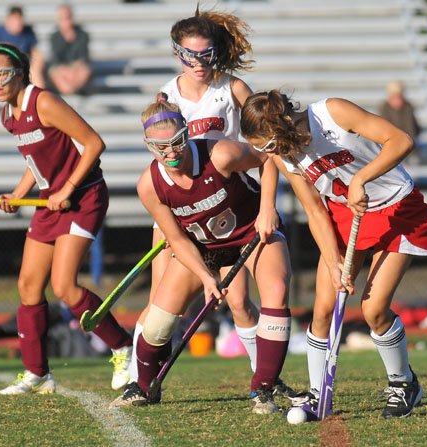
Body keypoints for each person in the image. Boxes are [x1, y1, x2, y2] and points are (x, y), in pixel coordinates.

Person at [240, 90, 427, 418]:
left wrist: (362, 178)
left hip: (396, 209)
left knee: (374, 309)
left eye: (266, 146)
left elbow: (401, 140)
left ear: (280, 128)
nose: (267, 154)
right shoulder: (283, 156)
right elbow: (315, 210)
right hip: (344, 217)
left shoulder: (332, 113)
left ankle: (404, 384)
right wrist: (333, 261)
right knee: (322, 310)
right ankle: (319, 394)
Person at [126, 7, 286, 395]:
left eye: (205, 54)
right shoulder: (167, 94)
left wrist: (267, 205)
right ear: (177, 53)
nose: (198, 62)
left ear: (216, 53)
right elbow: (163, 149)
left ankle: (265, 378)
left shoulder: (231, 89)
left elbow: (265, 147)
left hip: (228, 198)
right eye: (189, 55)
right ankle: (137, 378)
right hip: (182, 208)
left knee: (238, 302)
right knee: (161, 303)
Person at [111, 97, 292, 415]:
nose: (171, 153)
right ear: (147, 144)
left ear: (187, 132)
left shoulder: (220, 153)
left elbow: (267, 157)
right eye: (160, 147)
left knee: (275, 293)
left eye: (178, 142)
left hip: (252, 234)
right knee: (155, 326)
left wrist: (267, 209)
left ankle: (263, 389)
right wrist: (208, 277)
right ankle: (144, 387)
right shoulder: (149, 186)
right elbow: (178, 239)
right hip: (203, 249)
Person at [0, 43, 133, 394]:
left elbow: (94, 143)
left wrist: (67, 189)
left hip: (83, 196)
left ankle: (123, 347)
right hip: (50, 202)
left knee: (65, 286)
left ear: (20, 72)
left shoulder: (43, 102)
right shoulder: (8, 115)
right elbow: (36, 162)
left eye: (2, 74)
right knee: (28, 286)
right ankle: (38, 374)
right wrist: (19, 194)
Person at [0, 5, 46, 88]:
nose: (18, 23)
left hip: (23, 66)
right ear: (8, 20)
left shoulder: (28, 32)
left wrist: (36, 65)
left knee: (35, 71)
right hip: (2, 66)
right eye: (15, 20)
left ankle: (39, 97)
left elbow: (36, 51)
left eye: (19, 19)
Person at [47, 4, 92, 95]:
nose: (65, 20)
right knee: (56, 73)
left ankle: (71, 91)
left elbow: (83, 57)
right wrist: (67, 70)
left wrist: (73, 69)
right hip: (62, 71)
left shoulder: (82, 35)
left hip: (76, 71)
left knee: (84, 71)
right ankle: (72, 91)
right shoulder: (54, 37)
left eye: (67, 17)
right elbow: (56, 60)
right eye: (62, 18)